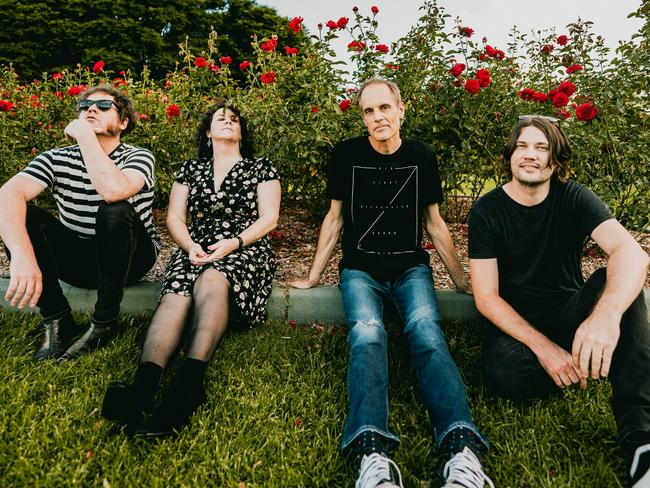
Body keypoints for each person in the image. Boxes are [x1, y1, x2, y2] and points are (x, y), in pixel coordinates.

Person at [290, 79, 493, 488]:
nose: (377, 117)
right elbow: (334, 219)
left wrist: (461, 282)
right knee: (367, 335)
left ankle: (462, 450)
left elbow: (435, 224)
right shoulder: (346, 154)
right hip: (360, 270)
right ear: (362, 117)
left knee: (427, 333)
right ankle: (372, 454)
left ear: (402, 109)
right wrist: (313, 276)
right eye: (368, 111)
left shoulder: (422, 156)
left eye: (385, 108)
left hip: (410, 270)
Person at [468, 115, 650, 487]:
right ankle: (583, 363)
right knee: (504, 374)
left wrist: (606, 316)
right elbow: (486, 297)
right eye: (522, 146)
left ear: (555, 159)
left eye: (542, 147)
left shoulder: (574, 197)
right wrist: (545, 348)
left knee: (617, 286)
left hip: (571, 313)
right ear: (510, 155)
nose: (530, 155)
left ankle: (641, 442)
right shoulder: (487, 211)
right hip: (520, 328)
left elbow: (633, 253)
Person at [101, 102, 281, 437]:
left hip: (245, 246)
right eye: (220, 119)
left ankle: (187, 387)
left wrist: (233, 243)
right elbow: (174, 218)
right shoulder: (190, 169)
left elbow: (269, 218)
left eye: (235, 119)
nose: (228, 121)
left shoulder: (260, 167)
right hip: (195, 246)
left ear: (241, 132)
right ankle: (143, 388)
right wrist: (190, 247)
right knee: (175, 294)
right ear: (209, 133)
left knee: (214, 278)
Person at [0, 85, 160, 361]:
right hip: (77, 261)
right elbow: (7, 195)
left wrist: (86, 138)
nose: (91, 109)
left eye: (103, 106)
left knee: (115, 209)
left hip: (130, 260)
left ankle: (104, 323)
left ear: (123, 122)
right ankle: (57, 318)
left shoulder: (138, 156)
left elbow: (114, 191)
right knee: (18, 211)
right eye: (85, 106)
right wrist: (22, 256)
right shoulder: (56, 158)